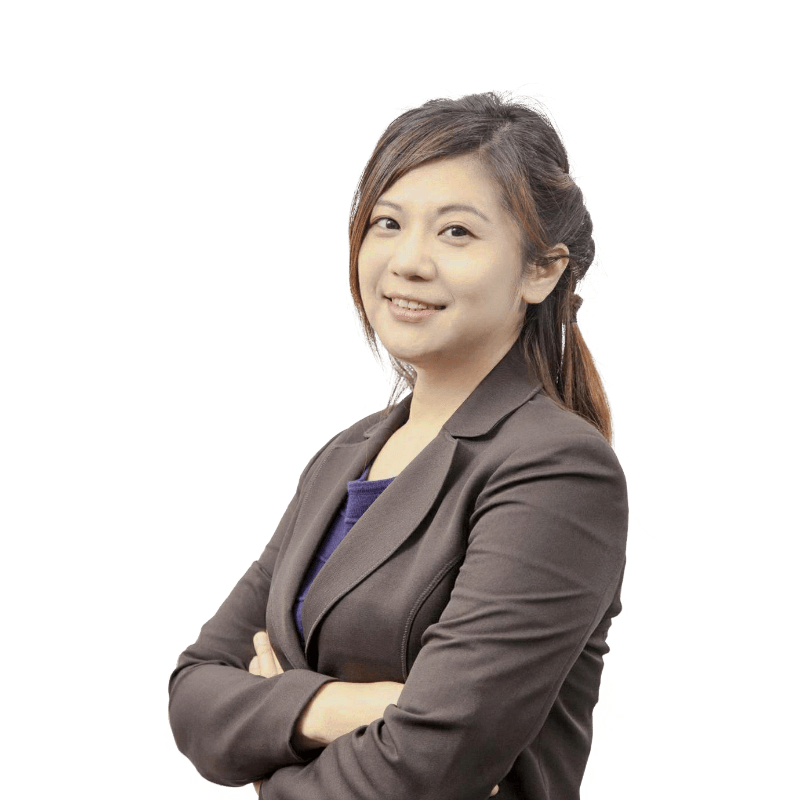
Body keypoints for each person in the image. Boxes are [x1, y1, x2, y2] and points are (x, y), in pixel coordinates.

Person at [167, 88, 629, 799]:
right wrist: (349, 706)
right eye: (387, 222)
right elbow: (196, 696)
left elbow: (433, 762)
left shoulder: (556, 469)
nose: (408, 261)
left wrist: (274, 730)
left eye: (457, 232)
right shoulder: (343, 456)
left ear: (541, 270)